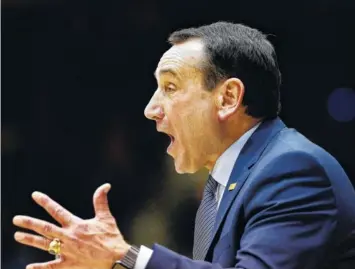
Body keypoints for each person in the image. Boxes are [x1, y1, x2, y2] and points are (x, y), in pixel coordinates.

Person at [13, 21, 355, 269]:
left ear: (228, 98)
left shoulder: (292, 168)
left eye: (171, 87)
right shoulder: (236, 176)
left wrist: (124, 255)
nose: (150, 110)